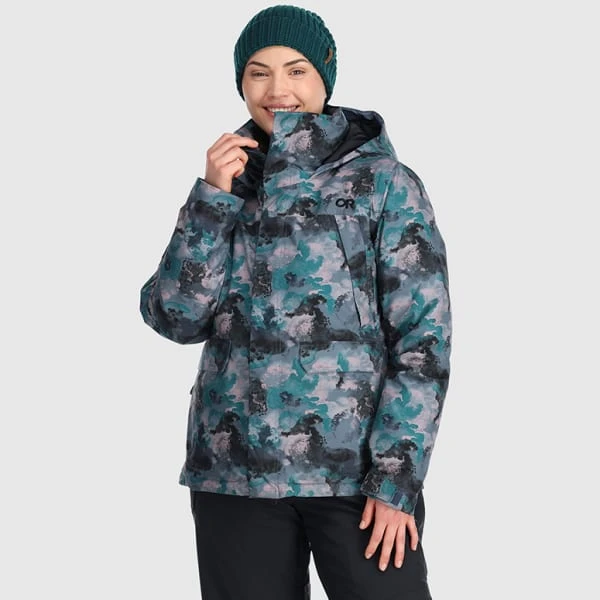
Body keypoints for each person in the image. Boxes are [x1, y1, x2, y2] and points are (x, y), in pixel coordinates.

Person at [140, 5, 451, 599]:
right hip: (234, 474)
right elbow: (176, 318)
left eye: (297, 70)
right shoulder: (228, 183)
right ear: (240, 82)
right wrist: (211, 200)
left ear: (325, 79)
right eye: (258, 72)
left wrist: (396, 479)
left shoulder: (385, 183)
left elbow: (423, 340)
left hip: (355, 479)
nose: (277, 89)